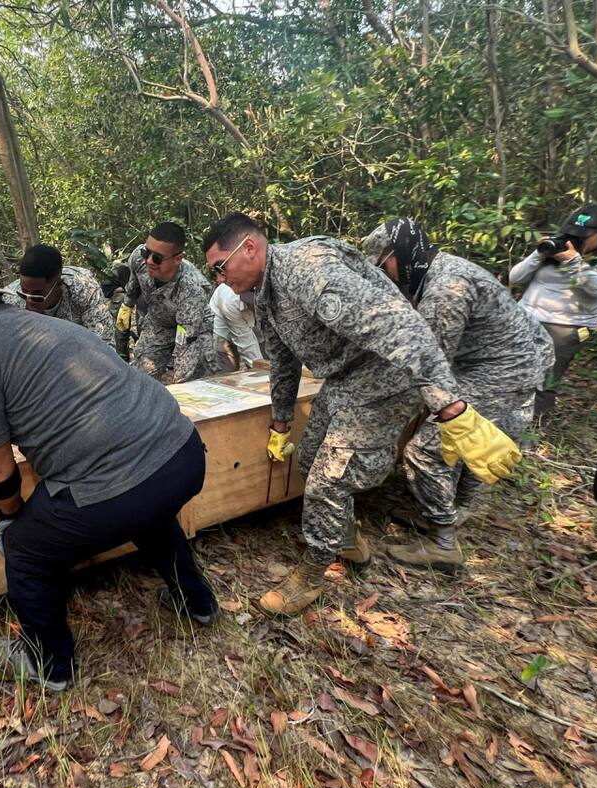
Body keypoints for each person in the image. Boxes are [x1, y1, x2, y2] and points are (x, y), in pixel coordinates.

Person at [0, 254, 217, 690]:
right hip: (182, 454)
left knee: (26, 549)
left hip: (127, 480)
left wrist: (12, 515)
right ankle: (196, 600)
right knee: (145, 504)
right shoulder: (44, 324)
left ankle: (48, 663)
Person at [201, 213, 521, 616]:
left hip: (386, 376)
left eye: (219, 267)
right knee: (309, 456)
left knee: (329, 479)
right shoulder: (266, 293)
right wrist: (281, 420)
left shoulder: (307, 268)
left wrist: (448, 404)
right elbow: (282, 359)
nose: (219, 278)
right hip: (344, 379)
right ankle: (346, 540)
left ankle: (313, 574)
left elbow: (397, 324)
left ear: (248, 248)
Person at [364, 218, 554, 571]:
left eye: (383, 265)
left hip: (500, 370)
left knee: (426, 450)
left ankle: (443, 543)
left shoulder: (445, 288)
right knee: (460, 441)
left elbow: (429, 364)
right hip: (498, 362)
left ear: (399, 254)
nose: (384, 275)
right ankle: (454, 508)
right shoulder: (437, 270)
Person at [508, 203, 597, 418]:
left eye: (585, 234)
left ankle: (532, 430)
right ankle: (502, 420)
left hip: (567, 327)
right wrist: (540, 255)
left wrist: (572, 261)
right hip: (526, 317)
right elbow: (515, 278)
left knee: (544, 379)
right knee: (511, 370)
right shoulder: (555, 248)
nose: (578, 238)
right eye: (573, 233)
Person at [115, 222, 215, 383]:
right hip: (159, 322)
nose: (148, 261)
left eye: (157, 257)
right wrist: (127, 304)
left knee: (190, 380)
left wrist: (180, 380)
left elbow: (185, 340)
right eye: (146, 252)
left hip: (193, 329)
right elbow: (134, 282)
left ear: (177, 259)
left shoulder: (192, 288)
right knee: (140, 376)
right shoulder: (138, 258)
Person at [2, 244, 115, 349]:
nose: (29, 301)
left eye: (37, 296)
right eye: (24, 293)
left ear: (58, 284)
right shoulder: (9, 299)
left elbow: (104, 344)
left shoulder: (84, 289)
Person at [209, 281, 263, 371]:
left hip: (244, 326)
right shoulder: (230, 302)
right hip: (221, 334)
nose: (253, 308)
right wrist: (261, 368)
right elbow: (245, 342)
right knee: (228, 371)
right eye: (251, 305)